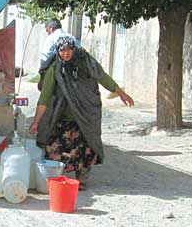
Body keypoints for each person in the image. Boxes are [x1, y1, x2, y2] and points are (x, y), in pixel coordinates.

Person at [29, 36, 134, 189]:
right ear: (57, 51)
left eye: (68, 49)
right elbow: (44, 98)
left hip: (85, 115)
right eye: (62, 50)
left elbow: (102, 77)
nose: (66, 53)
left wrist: (120, 93)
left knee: (86, 147)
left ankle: (81, 180)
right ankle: (59, 179)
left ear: (73, 49)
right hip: (63, 117)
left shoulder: (85, 62)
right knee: (54, 149)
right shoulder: (55, 69)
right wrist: (36, 122)